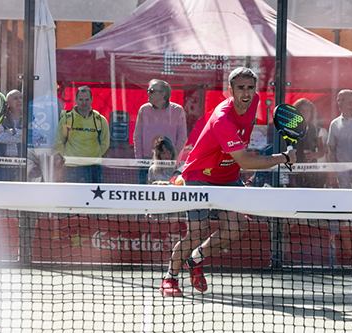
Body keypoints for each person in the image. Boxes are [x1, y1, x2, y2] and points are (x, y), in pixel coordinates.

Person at [159, 67, 297, 297]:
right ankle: (170, 278)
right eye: (240, 88)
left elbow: (241, 152)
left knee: (235, 229)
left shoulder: (254, 103)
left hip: (229, 177)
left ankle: (194, 260)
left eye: (250, 88)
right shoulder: (222, 118)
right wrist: (283, 158)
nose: (246, 93)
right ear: (230, 91)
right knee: (196, 233)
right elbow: (243, 160)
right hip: (199, 176)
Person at [134, 79, 187, 183]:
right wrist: (139, 159)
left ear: (163, 94)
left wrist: (173, 158)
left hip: (168, 162)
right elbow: (137, 136)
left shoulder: (177, 110)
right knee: (143, 195)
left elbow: (182, 137)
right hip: (146, 160)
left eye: (151, 90)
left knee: (168, 195)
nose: (148, 93)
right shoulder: (144, 110)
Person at [54, 86, 109, 183]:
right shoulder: (67, 119)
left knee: (93, 198)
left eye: (87, 99)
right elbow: (58, 142)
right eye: (81, 99)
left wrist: (95, 156)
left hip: (93, 167)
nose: (84, 103)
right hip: (73, 167)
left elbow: (105, 143)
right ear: (76, 100)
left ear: (91, 100)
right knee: (73, 197)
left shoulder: (100, 120)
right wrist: (68, 156)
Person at [292, 98, 326, 188]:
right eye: (302, 110)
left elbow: (322, 152)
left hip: (311, 171)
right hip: (293, 170)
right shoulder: (289, 129)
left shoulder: (317, 130)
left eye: (308, 111)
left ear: (311, 113)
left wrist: (314, 155)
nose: (305, 113)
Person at [0, 89, 23, 181]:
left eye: (21, 98)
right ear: (7, 103)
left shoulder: (27, 118)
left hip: (21, 164)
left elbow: (32, 137)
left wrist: (10, 133)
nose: (19, 100)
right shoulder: (0, 117)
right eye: (15, 98)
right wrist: (21, 136)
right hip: (1, 164)